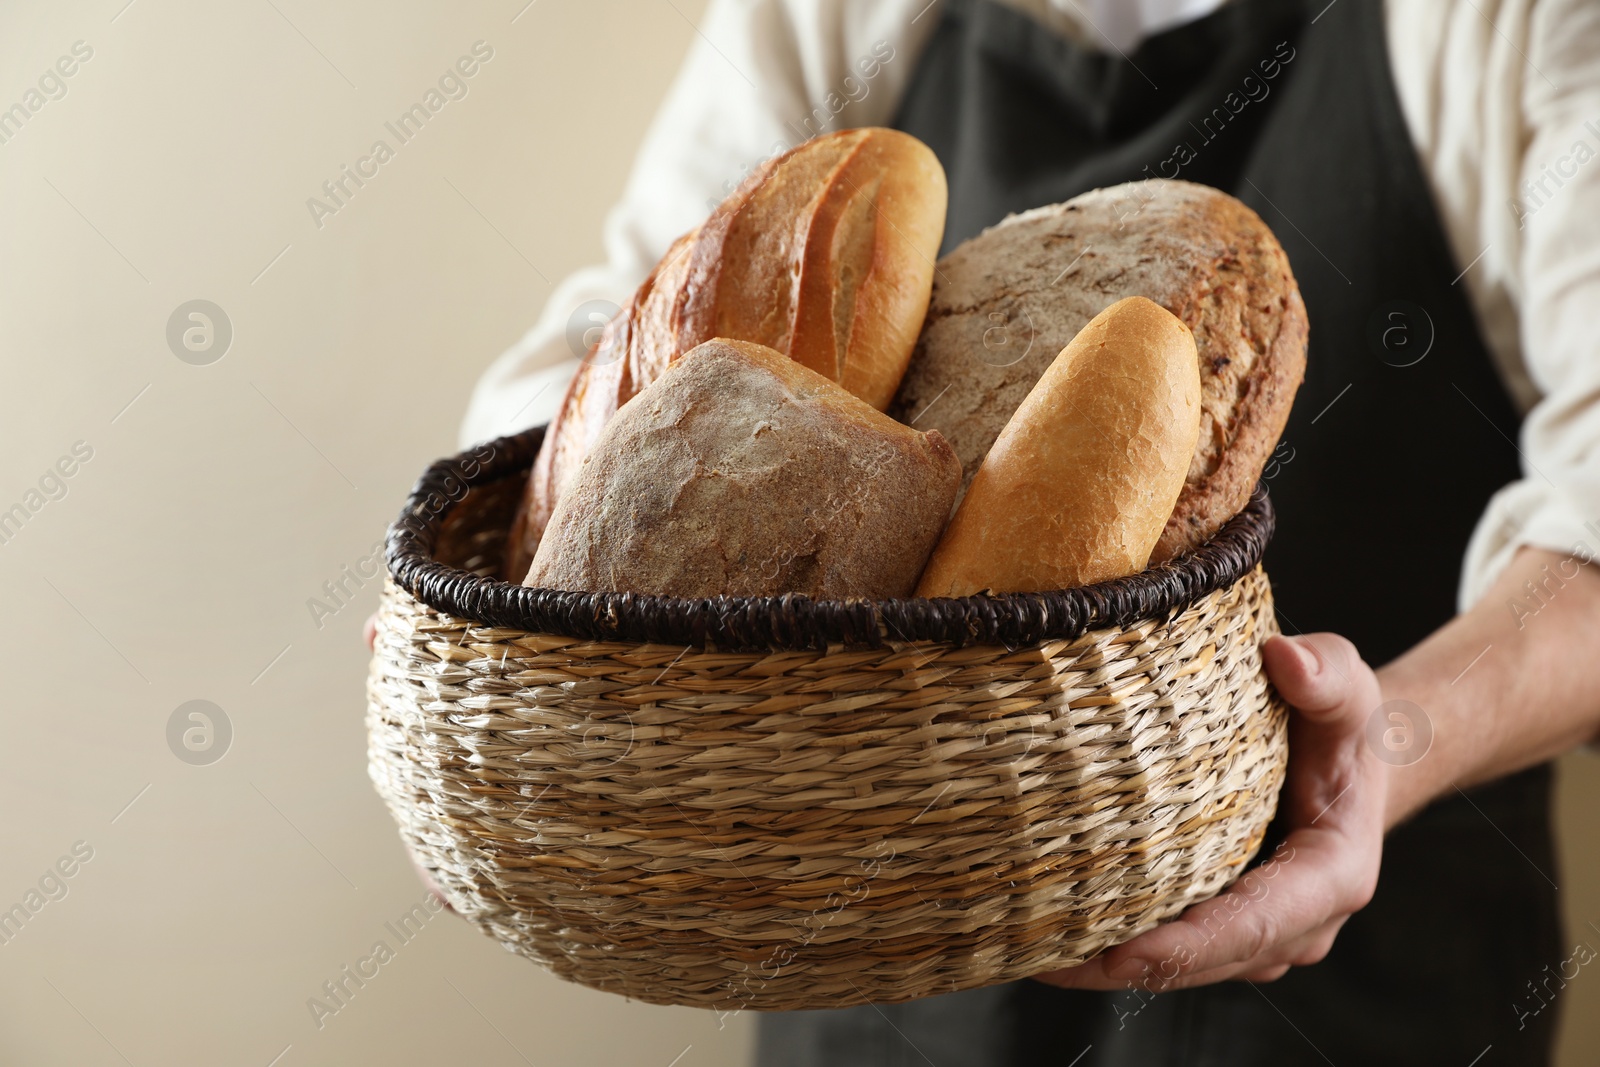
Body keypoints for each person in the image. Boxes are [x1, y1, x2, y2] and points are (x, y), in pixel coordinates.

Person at [451, 0, 1600, 1063]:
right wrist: (486, 625)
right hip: (873, 960)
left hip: (1351, 978)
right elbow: (625, 346)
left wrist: (1391, 747)